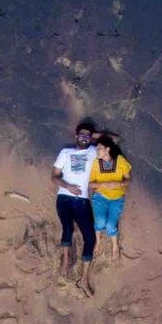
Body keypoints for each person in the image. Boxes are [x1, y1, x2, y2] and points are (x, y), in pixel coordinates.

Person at [51, 119, 98, 295]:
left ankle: (84, 279)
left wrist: (95, 137)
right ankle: (65, 262)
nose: (85, 138)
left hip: (82, 200)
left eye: (88, 135)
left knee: (90, 238)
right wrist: (68, 186)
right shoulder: (66, 152)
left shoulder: (93, 151)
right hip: (64, 197)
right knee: (68, 227)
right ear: (76, 136)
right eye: (82, 134)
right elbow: (54, 177)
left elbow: (114, 141)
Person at [89, 133, 132, 262]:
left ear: (107, 149)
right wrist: (103, 184)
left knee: (110, 226)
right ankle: (98, 241)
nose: (97, 150)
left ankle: (115, 246)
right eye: (96, 148)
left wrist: (120, 183)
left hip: (117, 198)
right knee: (99, 222)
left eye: (99, 148)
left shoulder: (119, 160)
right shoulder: (95, 163)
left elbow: (128, 179)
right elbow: (90, 183)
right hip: (100, 196)